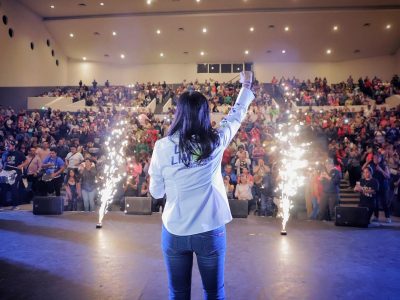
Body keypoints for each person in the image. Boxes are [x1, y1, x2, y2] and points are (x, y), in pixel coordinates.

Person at [149, 71, 254, 299]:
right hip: (209, 229)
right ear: (204, 114)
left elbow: (156, 191)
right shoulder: (214, 142)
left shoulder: (162, 146)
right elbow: (235, 117)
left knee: (178, 293)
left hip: (174, 229)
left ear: (179, 113)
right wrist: (246, 86)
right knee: (214, 293)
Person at [1, 140, 27, 209]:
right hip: (6, 172)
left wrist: (21, 165)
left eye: (9, 146)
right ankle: (3, 205)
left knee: (13, 188)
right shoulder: (5, 153)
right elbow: (3, 163)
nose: (7, 147)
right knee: (3, 188)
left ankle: (15, 205)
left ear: (13, 146)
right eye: (6, 146)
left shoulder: (19, 153)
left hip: (15, 172)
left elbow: (26, 161)